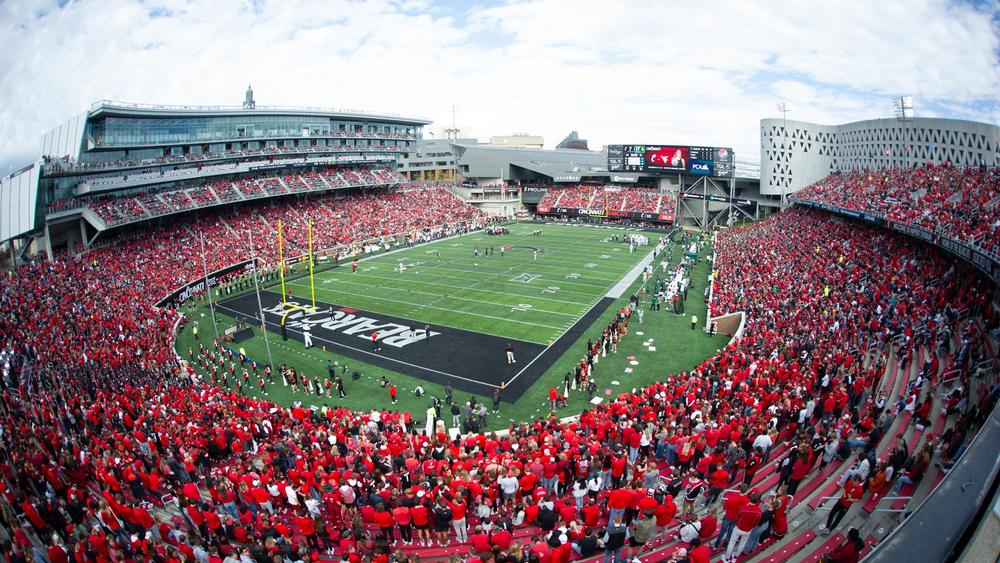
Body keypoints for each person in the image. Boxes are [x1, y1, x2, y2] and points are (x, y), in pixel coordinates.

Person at [723, 492, 761, 563]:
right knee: (742, 544)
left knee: (731, 543)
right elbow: (756, 523)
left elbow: (737, 517)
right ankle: (735, 557)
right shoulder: (759, 511)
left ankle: (727, 558)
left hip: (739, 528)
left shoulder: (743, 508)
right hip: (748, 530)